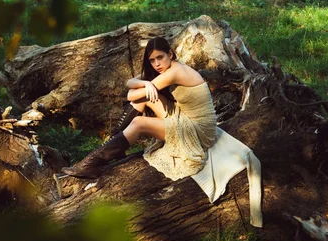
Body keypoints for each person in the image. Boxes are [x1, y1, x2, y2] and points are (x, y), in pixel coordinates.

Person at [61, 36, 216, 180]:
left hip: (198, 132)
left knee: (139, 122)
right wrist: (147, 83)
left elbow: (130, 95)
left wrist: (146, 85)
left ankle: (93, 162)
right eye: (152, 60)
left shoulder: (175, 72)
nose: (156, 64)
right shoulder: (170, 67)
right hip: (184, 117)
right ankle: (113, 147)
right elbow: (130, 82)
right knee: (143, 98)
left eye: (160, 57)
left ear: (170, 53)